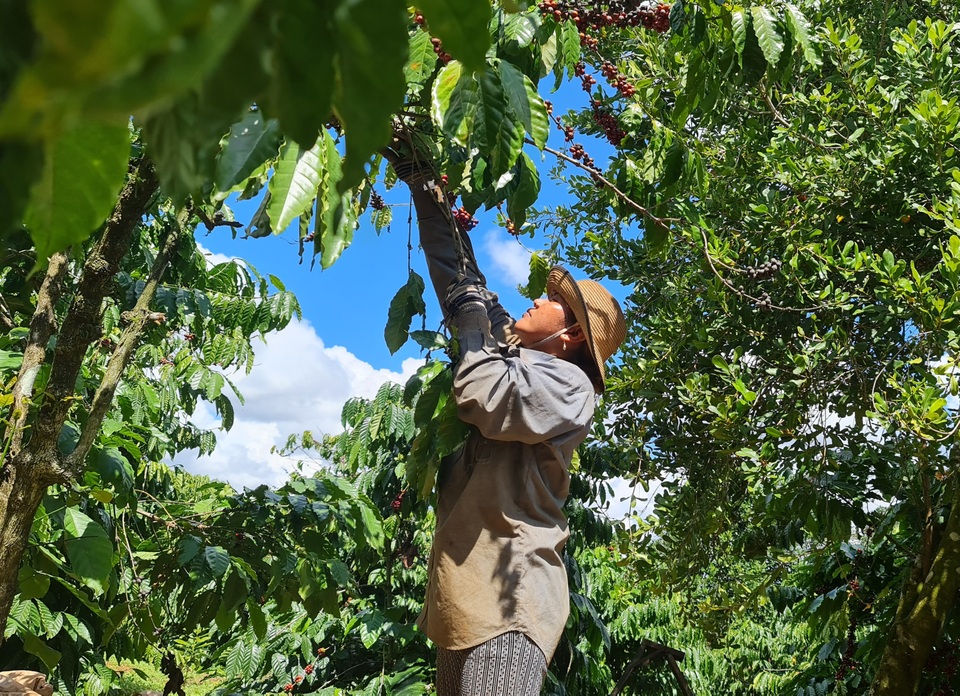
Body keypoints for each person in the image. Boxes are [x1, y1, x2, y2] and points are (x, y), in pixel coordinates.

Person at [384, 139, 626, 696]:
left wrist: (472, 323)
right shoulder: (514, 355)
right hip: (463, 596)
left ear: (570, 336)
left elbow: (483, 392)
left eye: (552, 303)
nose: (536, 301)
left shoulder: (569, 386)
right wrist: (425, 184)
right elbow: (461, 276)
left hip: (511, 598)